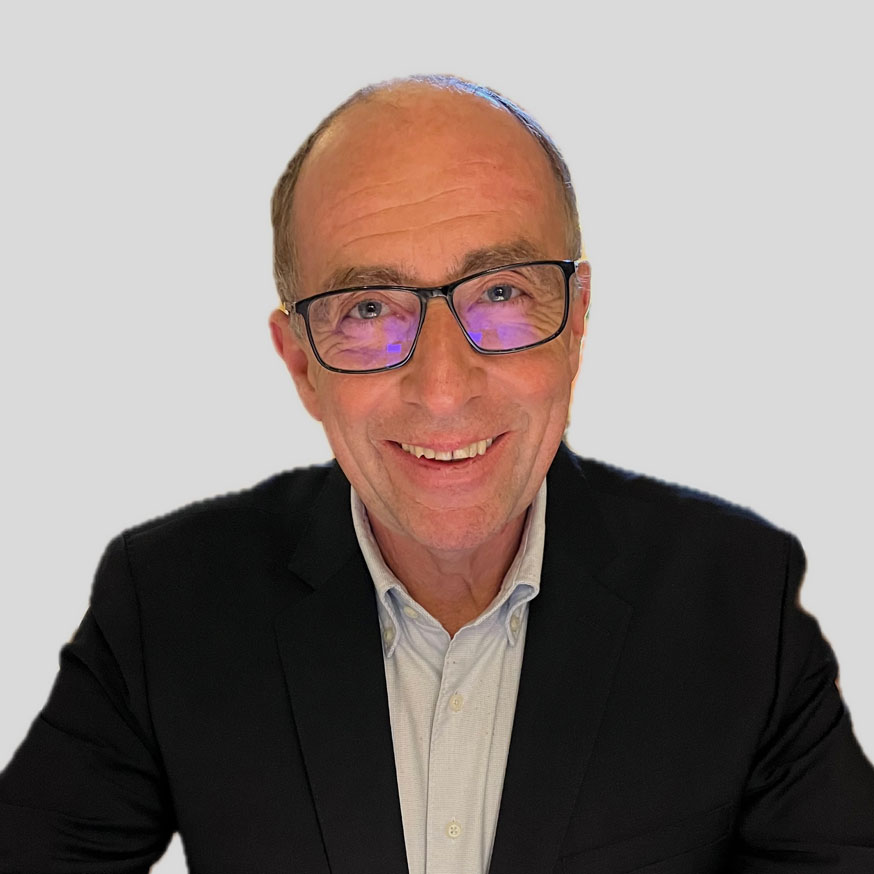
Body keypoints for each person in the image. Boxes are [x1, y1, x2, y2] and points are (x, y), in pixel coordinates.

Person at [1, 74, 872, 874]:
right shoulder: (164, 604)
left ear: (575, 323)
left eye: (499, 293)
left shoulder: (742, 602)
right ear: (300, 363)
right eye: (368, 309)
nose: (444, 388)